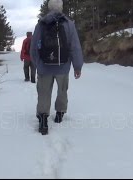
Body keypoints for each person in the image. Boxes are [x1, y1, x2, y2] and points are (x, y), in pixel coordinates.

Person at [30, 0, 84, 135]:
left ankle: (43, 119)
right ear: (61, 8)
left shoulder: (41, 24)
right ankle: (59, 113)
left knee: (43, 93)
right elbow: (75, 47)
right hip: (63, 66)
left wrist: (38, 64)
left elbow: (34, 48)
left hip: (44, 67)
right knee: (62, 90)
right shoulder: (69, 24)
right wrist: (77, 66)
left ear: (49, 8)